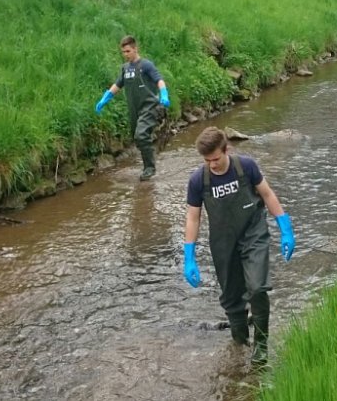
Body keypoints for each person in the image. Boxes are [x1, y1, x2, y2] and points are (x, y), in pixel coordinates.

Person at [182, 126, 296, 366]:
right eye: (207, 160)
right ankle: (240, 345)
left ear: (226, 150)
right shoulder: (198, 181)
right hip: (223, 242)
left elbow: (267, 194)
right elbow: (193, 217)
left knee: (257, 287)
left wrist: (285, 227)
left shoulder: (246, 167)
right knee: (232, 297)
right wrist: (189, 256)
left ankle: (261, 345)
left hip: (253, 233)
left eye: (216, 158)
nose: (212, 164)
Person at [94, 35, 171, 180]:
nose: (125, 55)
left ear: (135, 49)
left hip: (149, 107)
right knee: (138, 138)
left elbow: (159, 80)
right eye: (123, 52)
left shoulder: (146, 65)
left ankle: (149, 168)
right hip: (134, 110)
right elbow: (117, 85)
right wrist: (105, 99)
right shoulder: (125, 69)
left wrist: (164, 95)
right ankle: (149, 161)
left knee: (141, 135)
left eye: (128, 51)